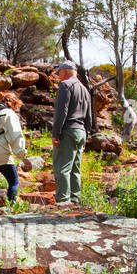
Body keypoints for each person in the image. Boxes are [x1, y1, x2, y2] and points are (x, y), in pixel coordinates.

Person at [51, 60, 92, 205]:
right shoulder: (85, 89)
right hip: (81, 132)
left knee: (62, 167)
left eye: (59, 73)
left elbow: (61, 112)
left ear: (66, 71)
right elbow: (89, 115)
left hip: (68, 131)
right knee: (75, 169)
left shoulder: (65, 85)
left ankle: (63, 202)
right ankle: (75, 200)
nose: (59, 76)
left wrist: (56, 133)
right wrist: (87, 134)